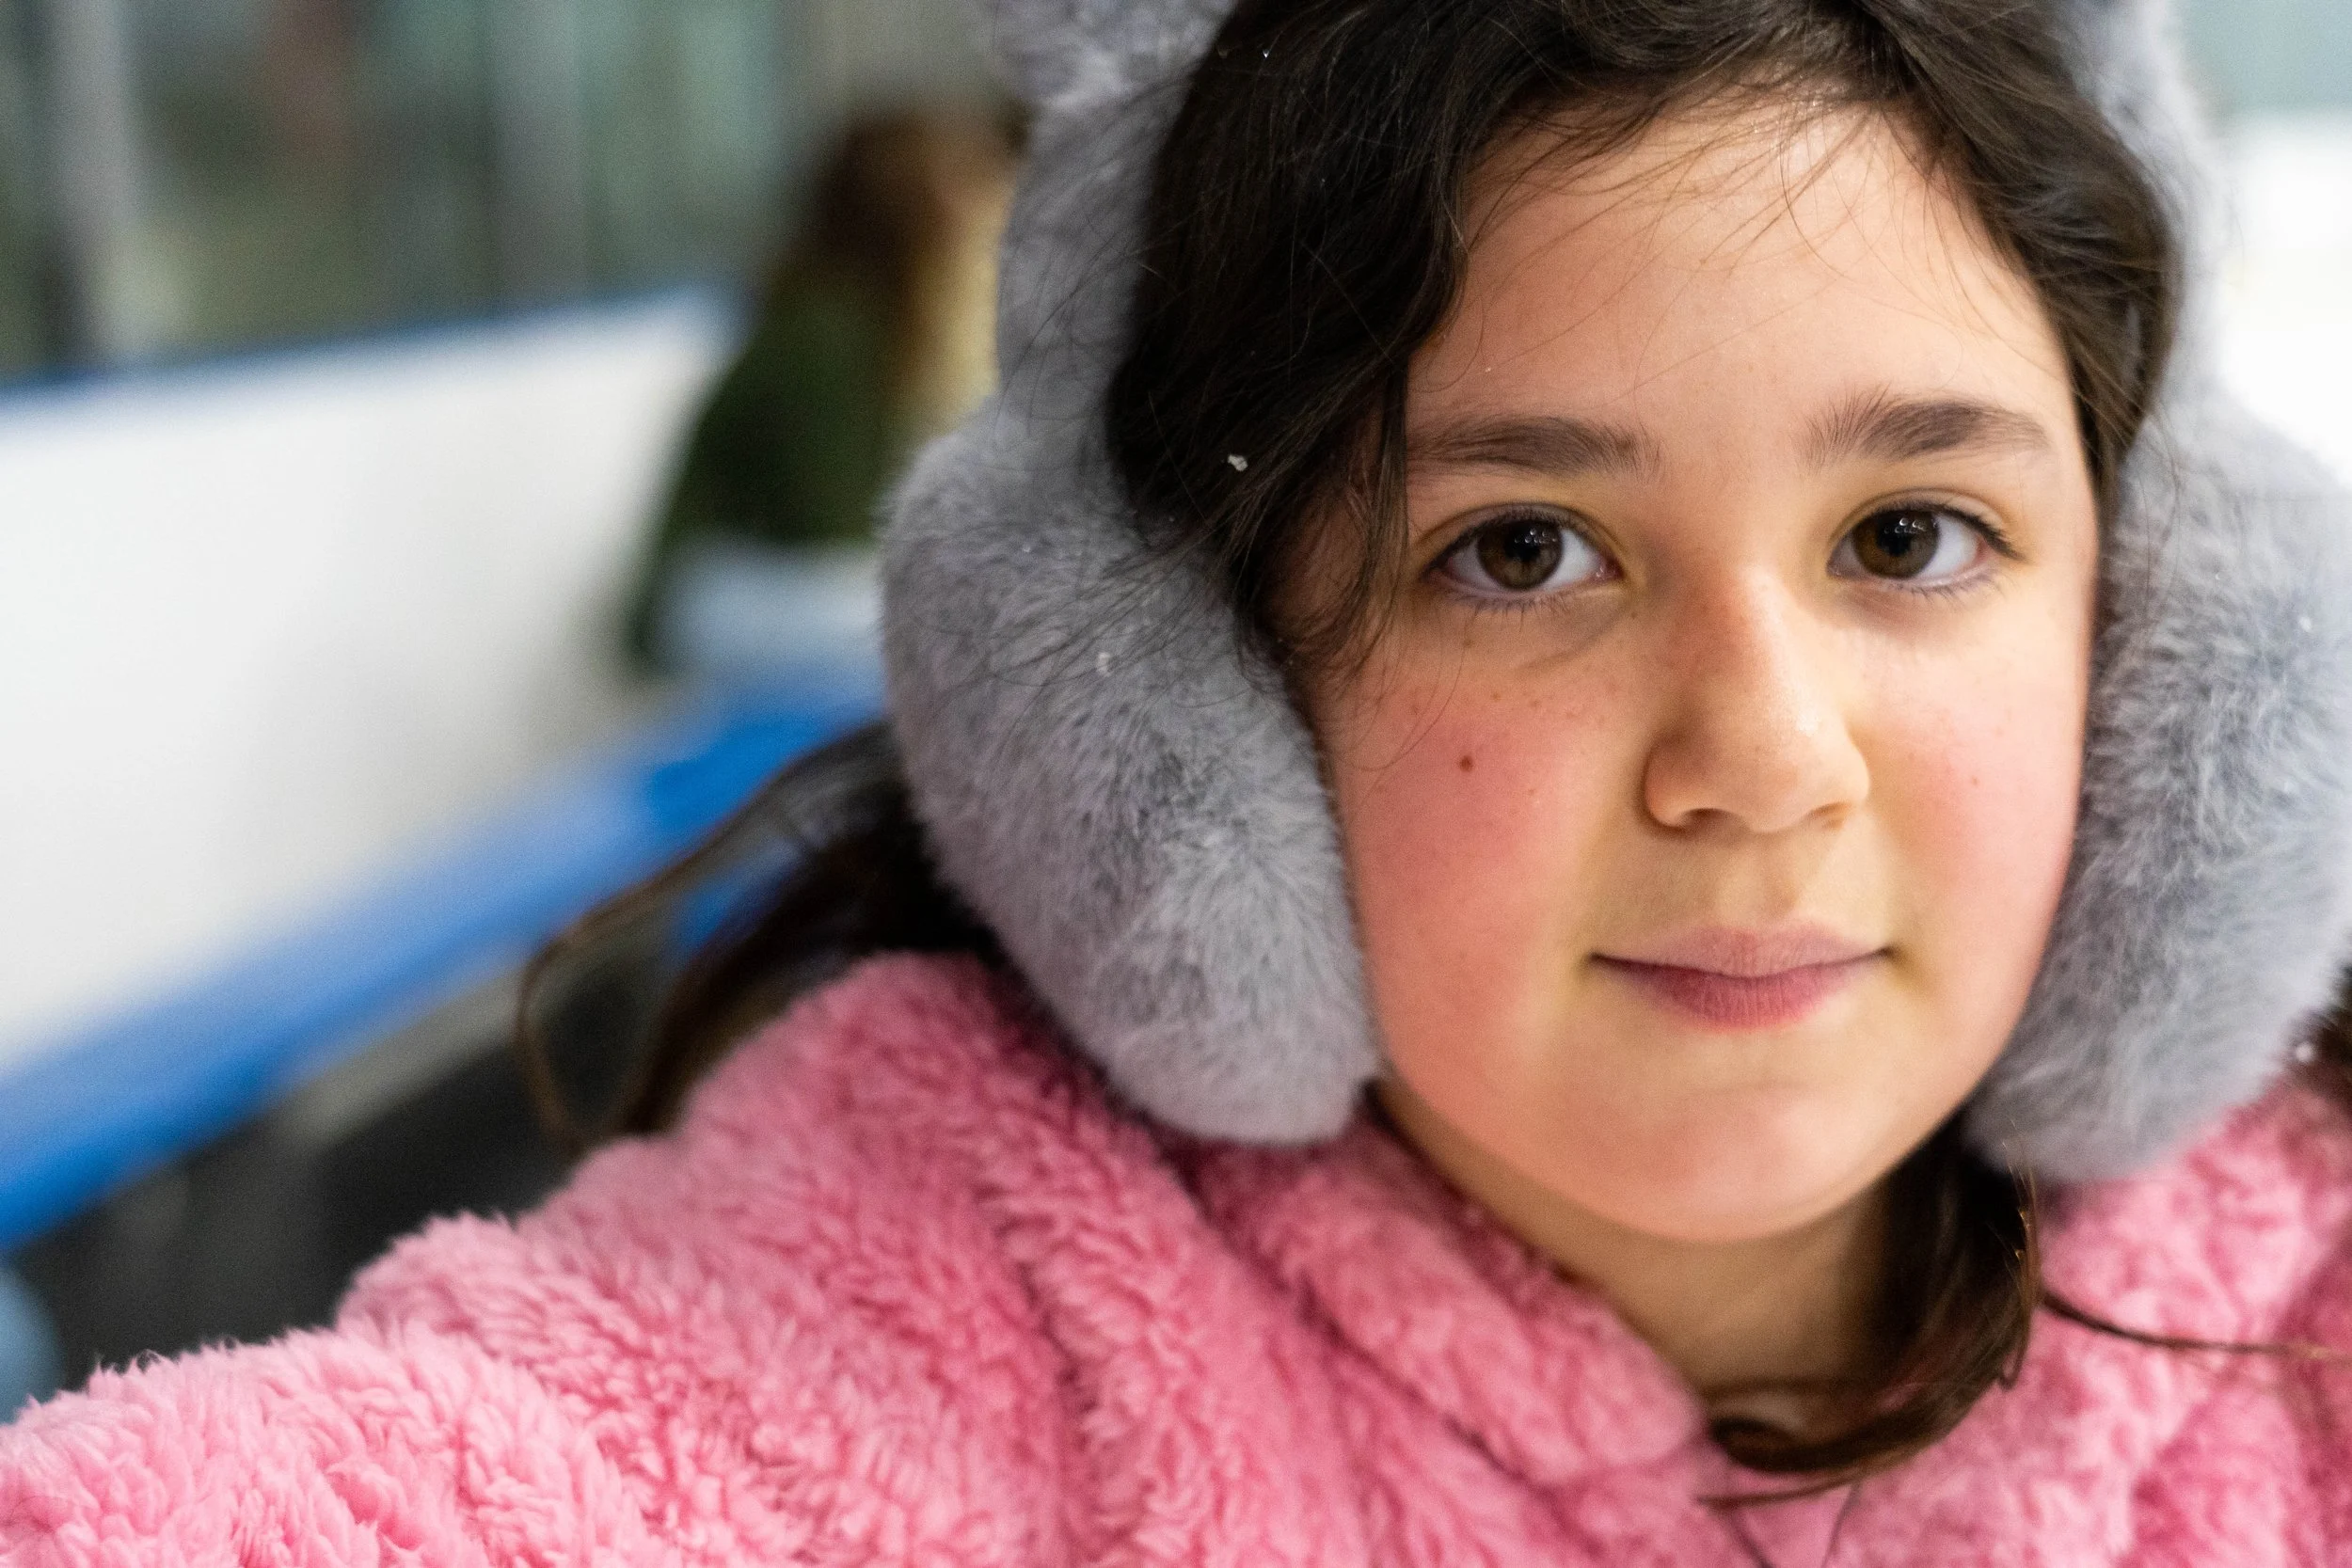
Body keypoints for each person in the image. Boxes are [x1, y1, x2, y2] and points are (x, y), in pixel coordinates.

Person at [8, 0, 2352, 1561]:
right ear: (1180, 697)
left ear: (2154, 630)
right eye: (1521, 552)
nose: (1760, 758)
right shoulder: (959, 1275)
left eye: (1909, 537)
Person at [623, 103, 1018, 681]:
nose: (981, 205)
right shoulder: (828, 331)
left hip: (785, 579)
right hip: (718, 588)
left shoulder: (881, 318)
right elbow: (834, 529)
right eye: (957, 184)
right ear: (906, 203)